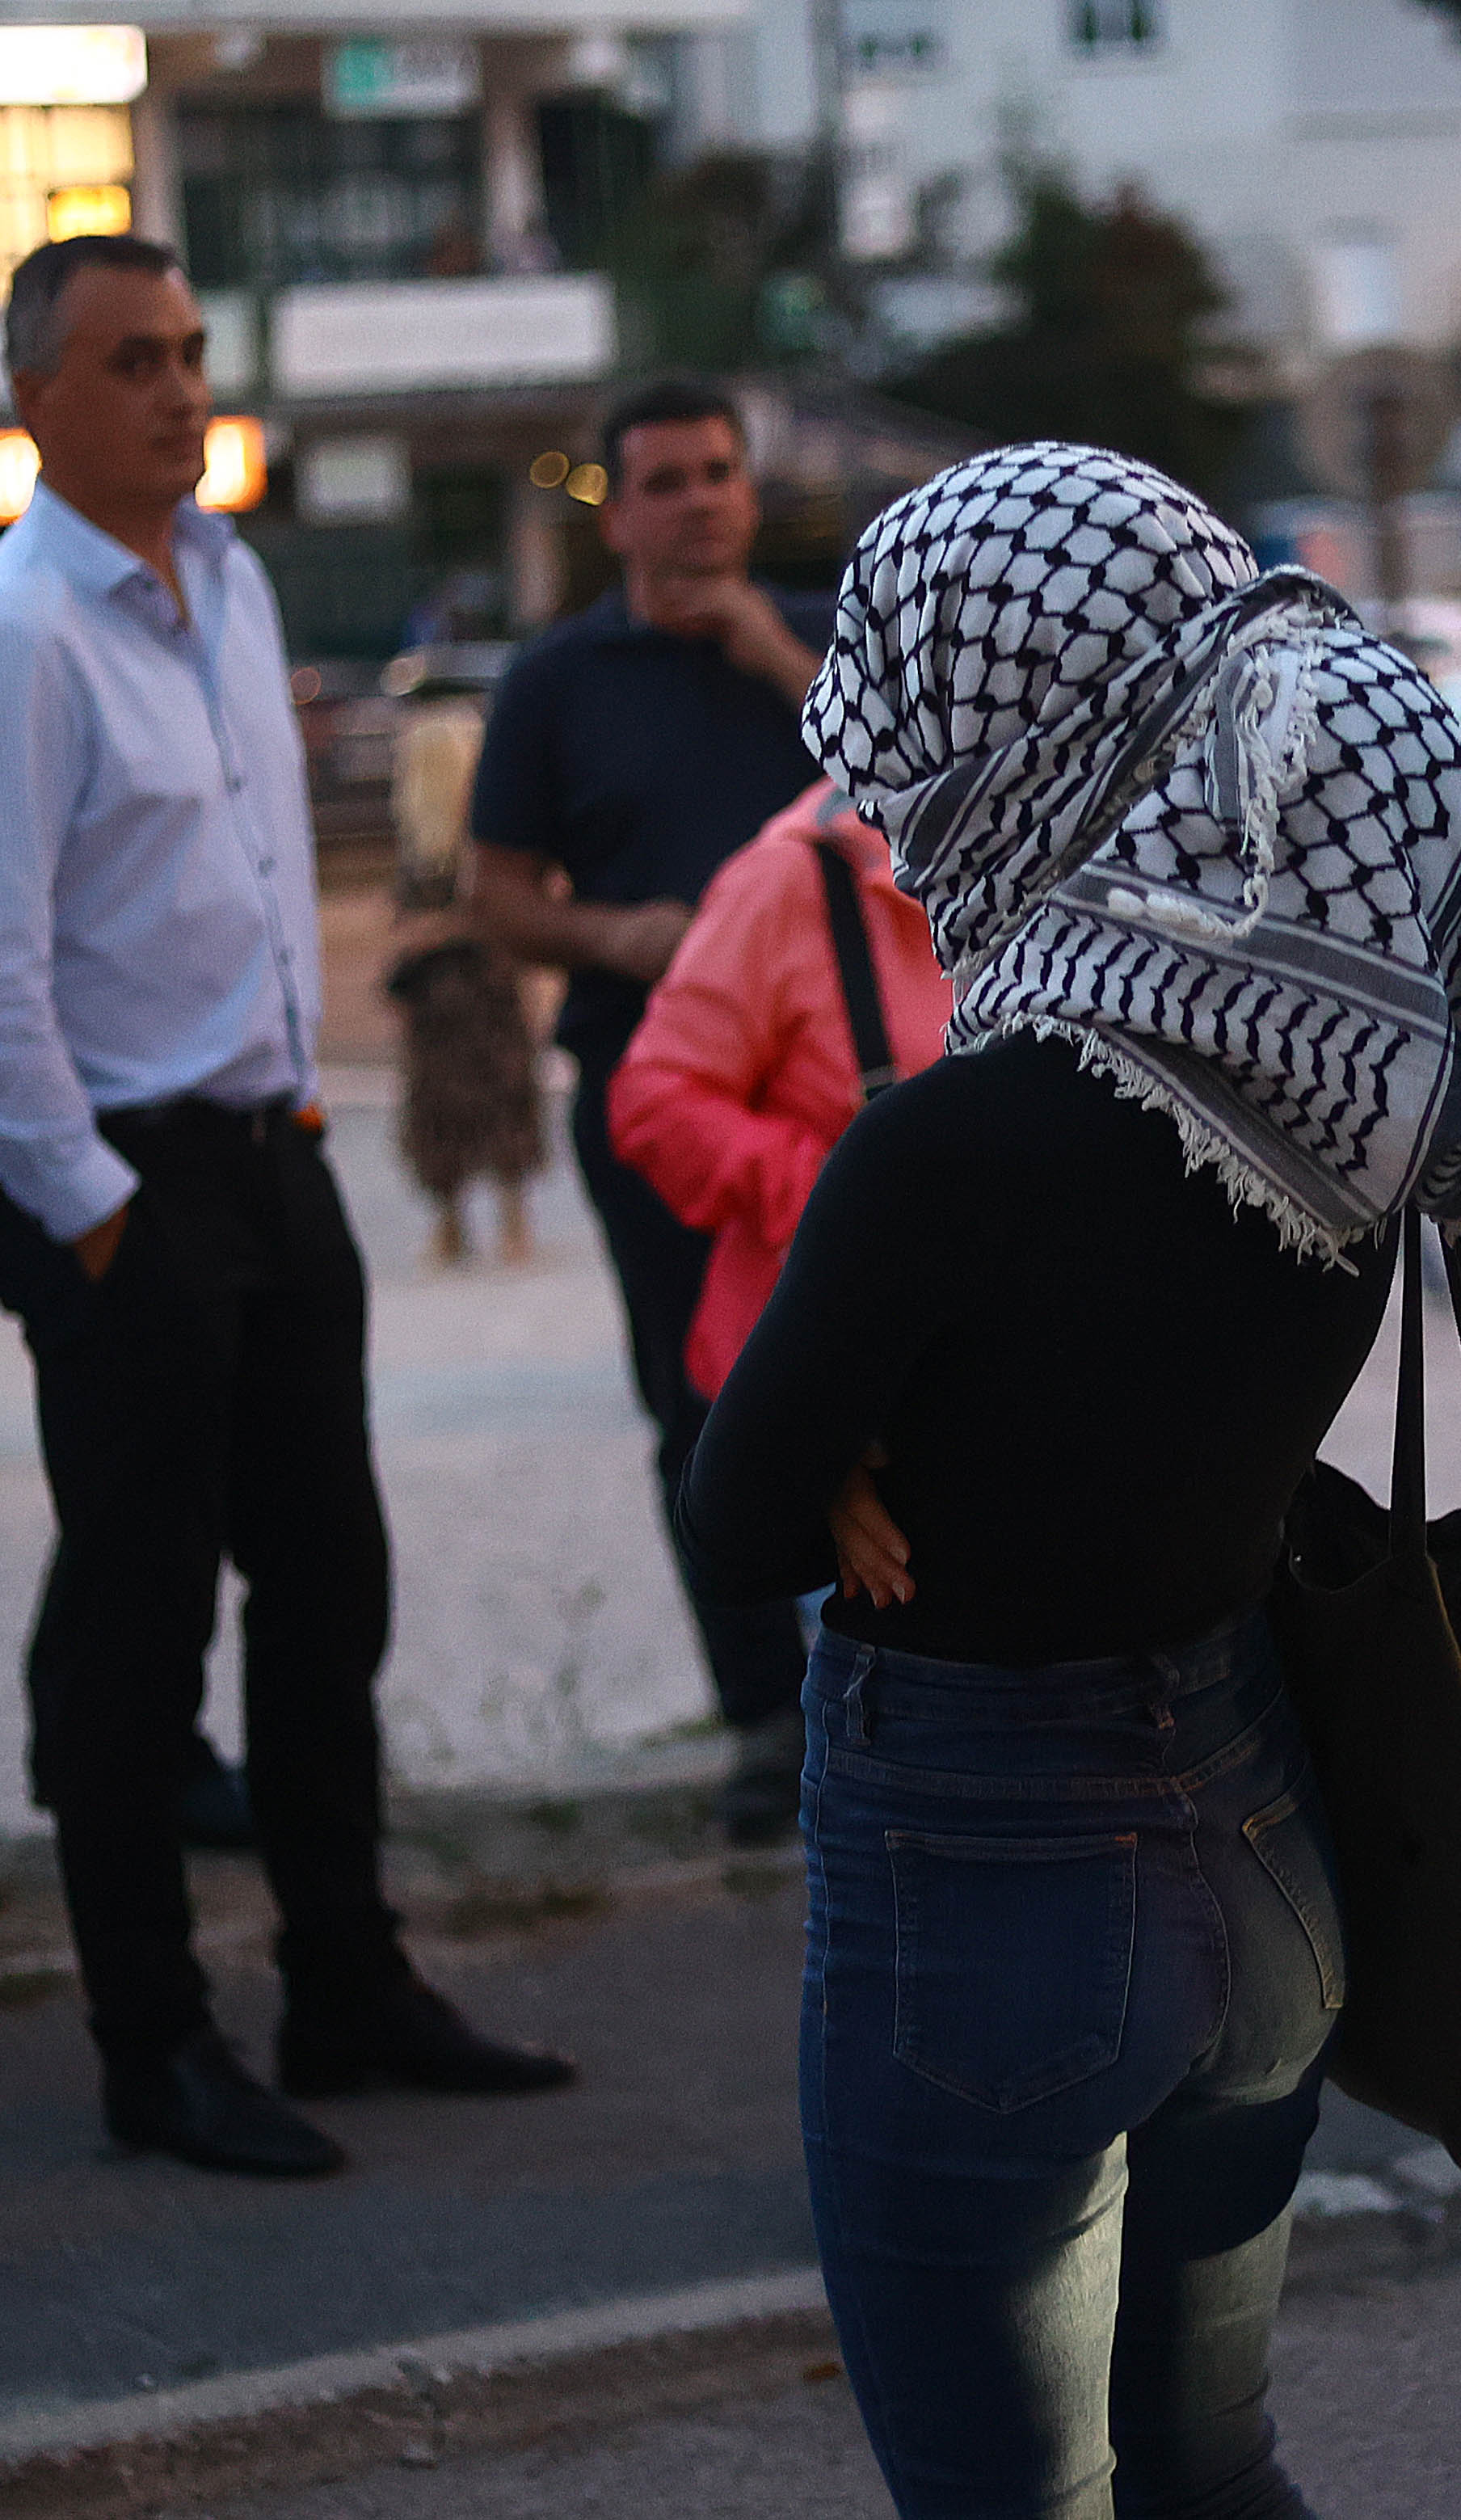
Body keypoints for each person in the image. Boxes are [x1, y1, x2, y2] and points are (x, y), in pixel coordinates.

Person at [683, 442, 1461, 2520]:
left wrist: (833, 1429)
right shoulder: (1346, 1104)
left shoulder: (949, 1146)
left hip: (988, 1868)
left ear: (1014, 729)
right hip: (1261, 1849)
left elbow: (737, 1519)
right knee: (1210, 2466)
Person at [0, 234, 569, 2181]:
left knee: (326, 1593)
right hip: (129, 1175)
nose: (178, 392)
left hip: (273, 1153)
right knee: (135, 1633)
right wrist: (102, 1220)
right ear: (36, 398)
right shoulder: (11, 639)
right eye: (128, 362)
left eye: (190, 353)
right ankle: (152, 2043)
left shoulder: (228, 579)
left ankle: (343, 1982)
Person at [466, 376, 836, 1842]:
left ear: (751, 491)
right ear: (617, 513)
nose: (696, 501)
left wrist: (776, 657)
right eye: (665, 481)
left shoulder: (824, 643)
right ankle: (763, 1713)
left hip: (855, 1098)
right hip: (662, 1100)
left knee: (904, 1380)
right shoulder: (557, 683)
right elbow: (495, 896)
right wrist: (627, 937)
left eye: (719, 474)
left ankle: (925, 1687)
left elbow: (935, 806)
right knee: (706, 1400)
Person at [604, 779, 949, 1415]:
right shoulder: (789, 877)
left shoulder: (1100, 858)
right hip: (820, 1378)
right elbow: (655, 1097)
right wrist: (825, 1194)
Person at [384, 674, 544, 1267]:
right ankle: (496, 1226)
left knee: (459, 1108)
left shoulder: (458, 840)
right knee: (483, 1103)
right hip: (469, 989)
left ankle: (477, 1227)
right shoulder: (480, 831)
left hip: (457, 988)